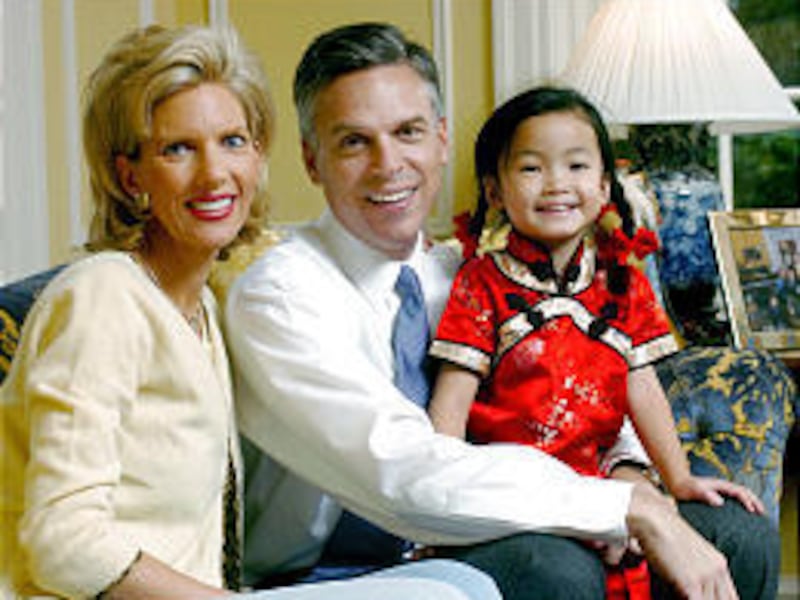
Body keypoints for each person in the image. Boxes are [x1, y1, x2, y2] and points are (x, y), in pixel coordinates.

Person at [225, 21, 780, 600]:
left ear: (441, 139)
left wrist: (629, 475)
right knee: (552, 569)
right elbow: (402, 471)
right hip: (345, 572)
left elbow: (590, 382)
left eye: (408, 132)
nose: (388, 164)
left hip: (505, 524)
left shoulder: (471, 274)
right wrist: (618, 508)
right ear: (312, 160)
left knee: (738, 538)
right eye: (353, 141)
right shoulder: (279, 296)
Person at [0, 24, 499, 600]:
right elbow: (64, 541)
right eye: (178, 149)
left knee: (457, 582)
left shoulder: (202, 308)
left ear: (260, 155)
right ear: (129, 174)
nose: (214, 173)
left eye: (232, 141)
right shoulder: (103, 294)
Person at [427, 85, 766, 597]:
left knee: (744, 532)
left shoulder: (622, 281)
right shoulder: (480, 284)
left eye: (577, 166)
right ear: (494, 191)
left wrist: (677, 481)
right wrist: (438, 509)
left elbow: (643, 385)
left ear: (606, 187)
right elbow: (448, 414)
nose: (556, 184)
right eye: (531, 168)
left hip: (604, 479)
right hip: (515, 496)